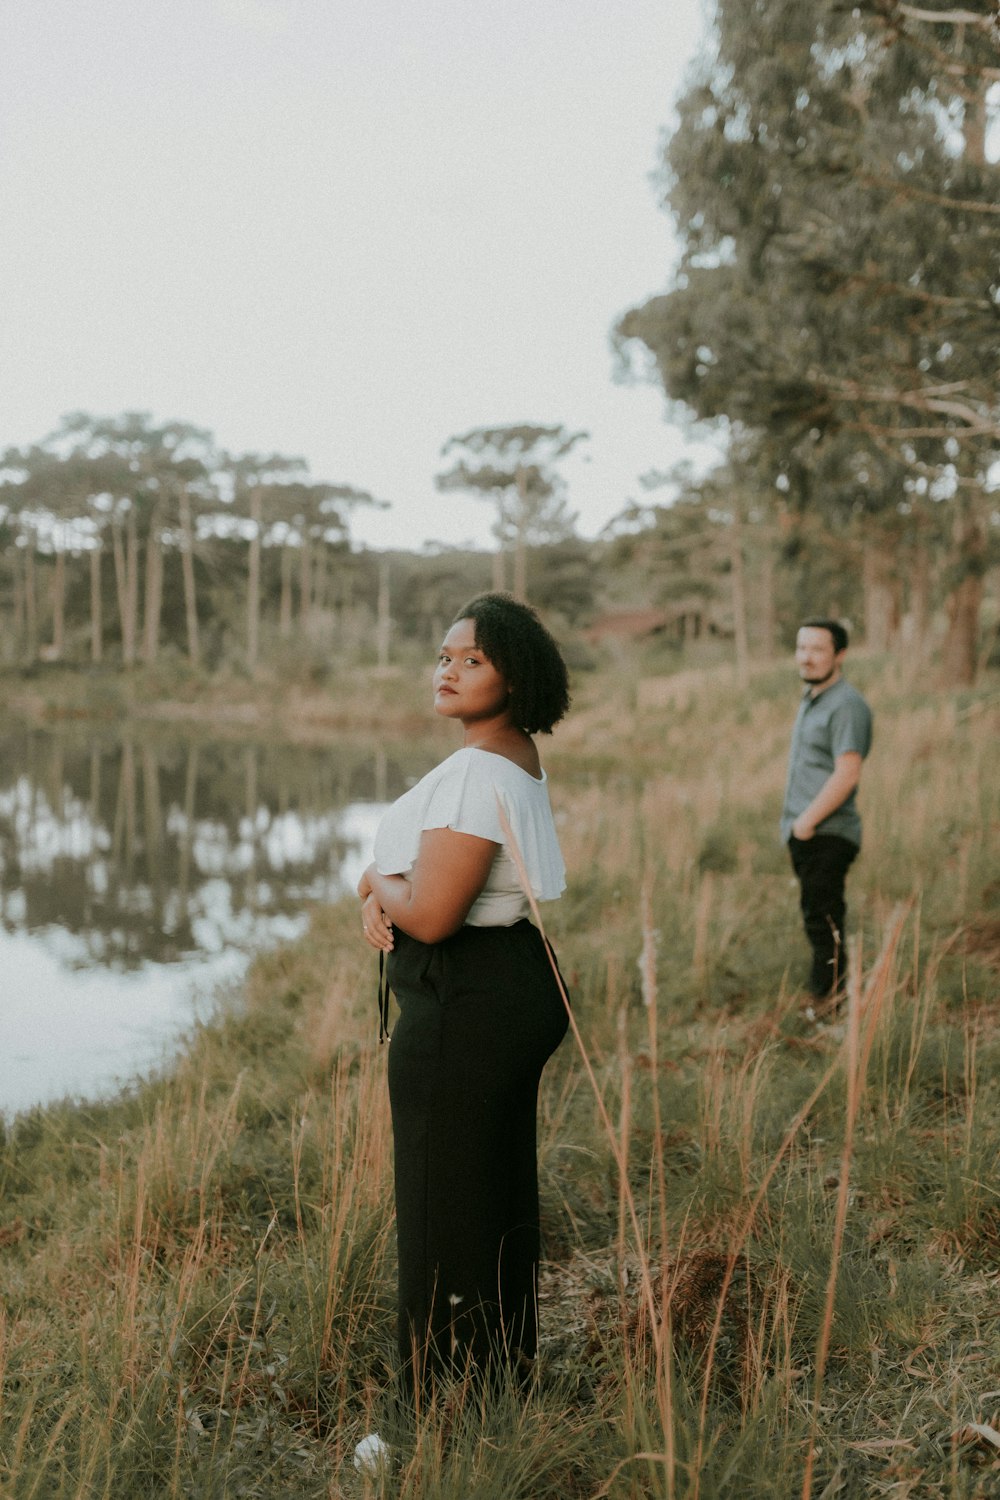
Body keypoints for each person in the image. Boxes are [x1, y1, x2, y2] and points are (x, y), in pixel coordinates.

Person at [357, 592, 570, 1396]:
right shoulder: (511, 756)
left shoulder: (477, 771)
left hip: (466, 1000)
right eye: (445, 656)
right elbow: (434, 888)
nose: (448, 670)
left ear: (513, 677)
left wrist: (376, 880)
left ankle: (440, 1407)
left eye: (471, 660)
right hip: (509, 985)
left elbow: (437, 916)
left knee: (440, 1202)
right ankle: (499, 1378)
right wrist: (387, 890)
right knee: (492, 1190)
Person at [780, 618, 873, 1003]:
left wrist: (805, 823)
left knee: (824, 924)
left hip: (827, 832)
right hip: (809, 833)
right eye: (802, 648)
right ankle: (831, 1000)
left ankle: (831, 1006)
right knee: (818, 918)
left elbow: (847, 772)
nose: (806, 657)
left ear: (840, 655)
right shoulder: (813, 697)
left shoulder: (847, 705)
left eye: (817, 649)